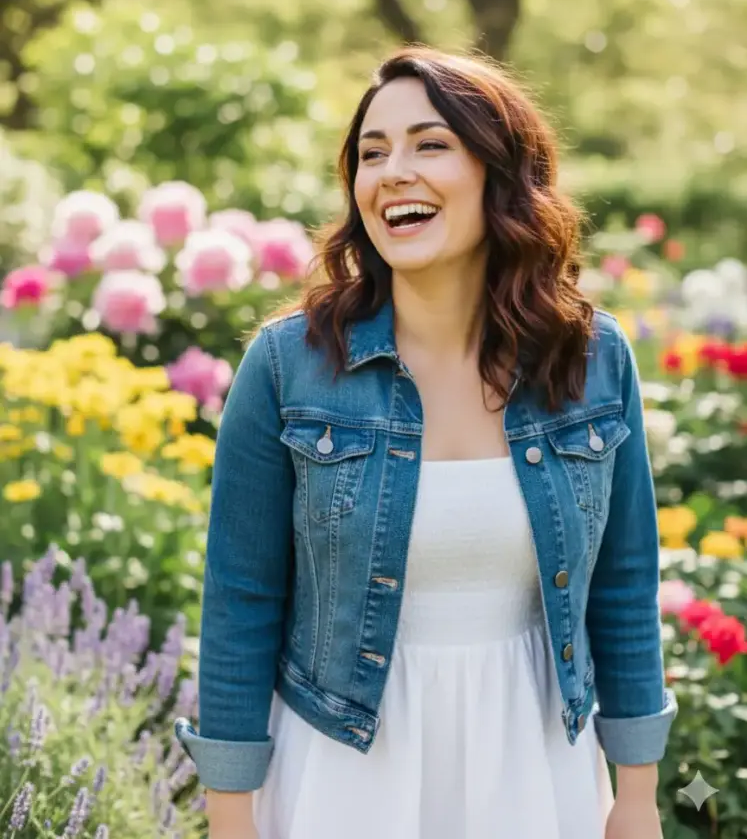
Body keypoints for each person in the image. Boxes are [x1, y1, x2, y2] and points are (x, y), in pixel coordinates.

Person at [175, 46, 678, 839]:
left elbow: (622, 583)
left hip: (535, 761)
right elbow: (240, 598)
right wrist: (231, 816)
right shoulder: (287, 365)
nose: (391, 172)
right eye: (372, 154)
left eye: (429, 144)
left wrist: (636, 795)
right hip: (341, 764)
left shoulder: (587, 355)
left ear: (498, 172)